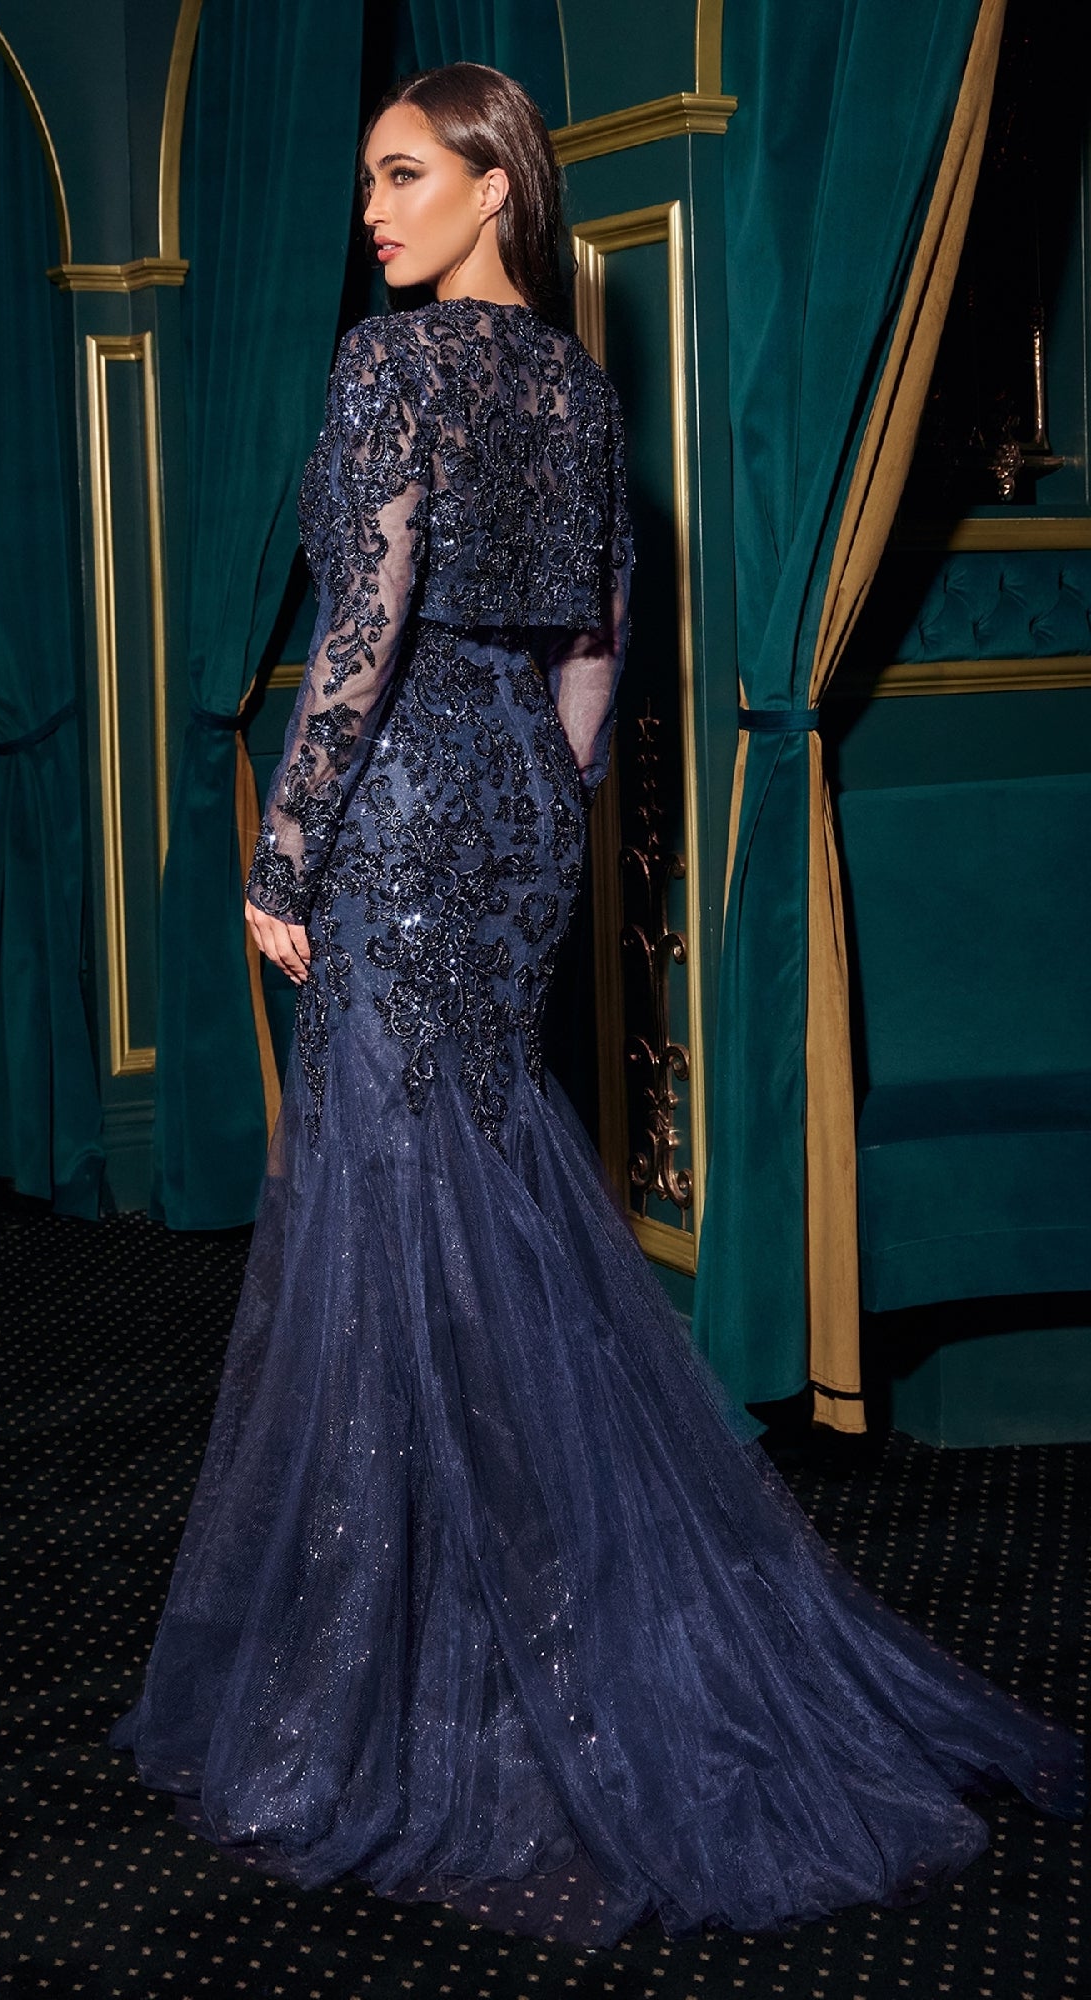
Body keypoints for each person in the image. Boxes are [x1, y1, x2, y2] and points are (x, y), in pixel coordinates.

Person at [112, 62, 1081, 1949]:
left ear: (498, 186)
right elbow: (592, 659)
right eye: (370, 179)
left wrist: (288, 857)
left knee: (398, 1221)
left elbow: (365, 633)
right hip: (515, 819)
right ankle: (528, 1618)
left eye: (404, 175)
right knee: (481, 1199)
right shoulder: (576, 388)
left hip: (394, 811)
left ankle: (427, 1689)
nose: (371, 212)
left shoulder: (393, 372)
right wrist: (536, 834)